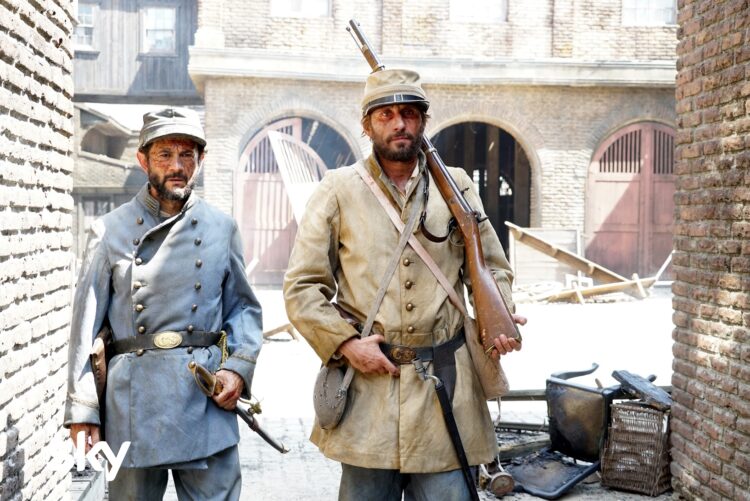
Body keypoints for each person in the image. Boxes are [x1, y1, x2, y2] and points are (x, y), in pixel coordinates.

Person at [283, 69, 525, 500]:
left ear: (423, 122)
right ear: (367, 125)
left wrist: (499, 314)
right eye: (386, 115)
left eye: (410, 114)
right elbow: (302, 287)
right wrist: (346, 345)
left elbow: (492, 267)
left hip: (446, 392)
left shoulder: (457, 186)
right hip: (368, 392)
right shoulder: (338, 189)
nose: (399, 124)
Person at [64, 107, 263, 500]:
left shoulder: (221, 228)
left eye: (187, 154)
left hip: (205, 399)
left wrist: (237, 370)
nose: (177, 166)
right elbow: (85, 327)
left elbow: (244, 309)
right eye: (164, 155)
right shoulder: (109, 231)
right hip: (132, 408)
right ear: (143, 160)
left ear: (201, 160)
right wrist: (83, 409)